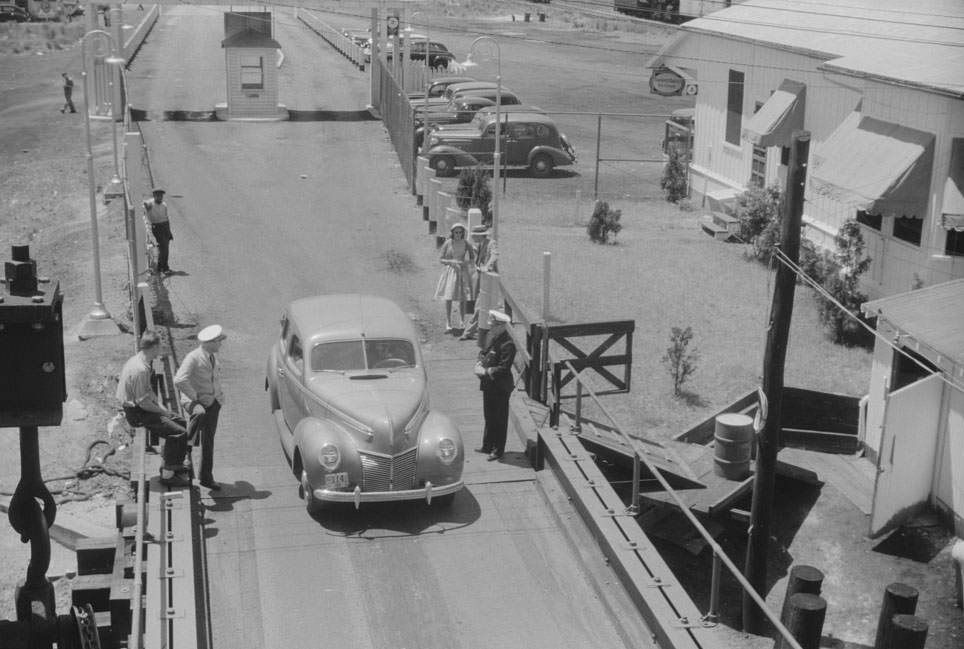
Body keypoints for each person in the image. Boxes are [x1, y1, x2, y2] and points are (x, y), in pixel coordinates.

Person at [116, 330, 190, 488]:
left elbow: (149, 391)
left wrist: (163, 409)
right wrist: (163, 412)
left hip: (142, 407)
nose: (162, 348)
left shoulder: (142, 360)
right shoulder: (140, 369)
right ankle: (168, 475)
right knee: (178, 433)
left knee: (181, 422)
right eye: (160, 345)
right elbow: (143, 403)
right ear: (154, 347)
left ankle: (172, 462)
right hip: (136, 413)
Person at [174, 324, 226, 491]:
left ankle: (206, 477)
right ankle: (186, 448)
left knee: (209, 442)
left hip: (213, 402)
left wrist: (218, 398)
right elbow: (179, 380)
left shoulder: (212, 357)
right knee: (200, 413)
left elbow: (214, 379)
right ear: (210, 342)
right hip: (196, 401)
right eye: (219, 341)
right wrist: (194, 397)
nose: (221, 344)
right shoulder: (193, 357)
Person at [473, 310, 516, 461]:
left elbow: (503, 369)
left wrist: (484, 371)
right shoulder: (495, 338)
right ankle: (487, 445)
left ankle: (498, 450)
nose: (490, 328)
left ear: (500, 326)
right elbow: (484, 352)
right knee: (489, 416)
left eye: (493, 325)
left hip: (500, 388)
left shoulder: (508, 344)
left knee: (499, 419)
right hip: (489, 386)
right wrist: (479, 362)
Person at [434, 222, 476, 333]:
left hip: (462, 271)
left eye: (460, 232)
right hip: (451, 271)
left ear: (463, 233)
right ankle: (448, 321)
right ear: (453, 233)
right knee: (449, 296)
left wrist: (465, 263)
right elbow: (441, 259)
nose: (458, 234)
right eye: (456, 232)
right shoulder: (448, 243)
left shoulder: (466, 244)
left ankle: (462, 320)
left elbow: (472, 258)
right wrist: (451, 261)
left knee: (462, 297)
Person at [460, 224, 499, 342]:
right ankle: (486, 329)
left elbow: (495, 255)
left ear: (479, 235)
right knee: (482, 305)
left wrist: (487, 266)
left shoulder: (491, 243)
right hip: (480, 277)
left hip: (488, 279)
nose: (472, 237)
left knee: (479, 306)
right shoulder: (480, 244)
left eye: (474, 235)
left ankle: (468, 332)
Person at [143, 188, 174, 275]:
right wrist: (145, 205)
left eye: (161, 196)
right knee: (163, 248)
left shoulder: (164, 205)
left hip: (165, 227)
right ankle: (164, 268)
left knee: (165, 249)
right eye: (158, 196)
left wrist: (169, 231)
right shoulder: (151, 204)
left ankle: (161, 266)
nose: (160, 197)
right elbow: (145, 204)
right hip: (157, 227)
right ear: (154, 196)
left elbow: (166, 218)